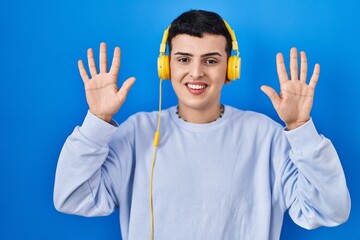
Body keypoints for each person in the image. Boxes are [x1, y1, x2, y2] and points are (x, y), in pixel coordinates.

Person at [53, 9, 350, 240]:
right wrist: (97, 121)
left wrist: (300, 127)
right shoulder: (136, 132)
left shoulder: (266, 136)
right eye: (183, 59)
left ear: (230, 68)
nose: (196, 73)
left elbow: (330, 210)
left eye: (210, 61)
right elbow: (72, 198)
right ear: (166, 66)